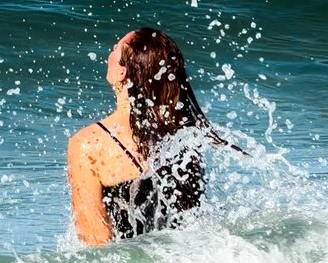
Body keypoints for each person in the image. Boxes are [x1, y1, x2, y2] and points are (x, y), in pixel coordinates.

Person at [67, 27, 230, 246]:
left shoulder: (89, 144)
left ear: (123, 72)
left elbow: (95, 241)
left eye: (115, 48)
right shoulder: (183, 135)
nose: (110, 52)